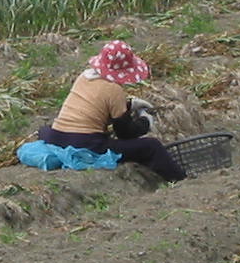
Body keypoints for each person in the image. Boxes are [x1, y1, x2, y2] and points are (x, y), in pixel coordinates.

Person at [37, 40, 186, 183]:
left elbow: (96, 103)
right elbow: (125, 133)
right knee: (152, 146)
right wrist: (145, 121)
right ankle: (180, 179)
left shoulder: (83, 77)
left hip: (56, 137)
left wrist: (128, 106)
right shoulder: (114, 89)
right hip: (86, 144)